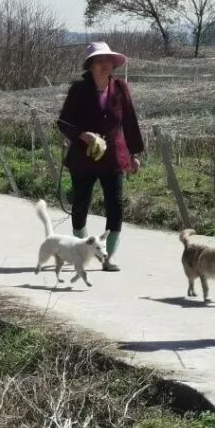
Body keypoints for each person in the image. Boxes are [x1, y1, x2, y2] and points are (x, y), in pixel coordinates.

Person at [57, 42, 144, 272]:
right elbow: (63, 122)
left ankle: (108, 257)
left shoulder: (120, 87)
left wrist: (134, 154)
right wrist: (82, 135)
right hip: (84, 157)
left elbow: (129, 122)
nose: (105, 65)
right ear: (91, 66)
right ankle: (81, 249)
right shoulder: (78, 89)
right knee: (80, 204)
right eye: (99, 61)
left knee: (115, 205)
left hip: (113, 157)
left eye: (108, 61)